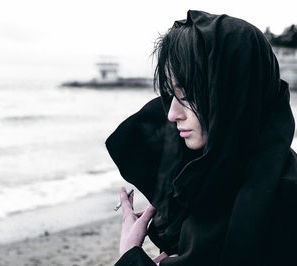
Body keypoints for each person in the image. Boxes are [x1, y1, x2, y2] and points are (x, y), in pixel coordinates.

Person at [106, 10, 297, 266]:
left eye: (187, 94)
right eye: (170, 94)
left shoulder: (285, 204)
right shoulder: (213, 181)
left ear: (235, 95)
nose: (172, 114)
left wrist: (130, 253)